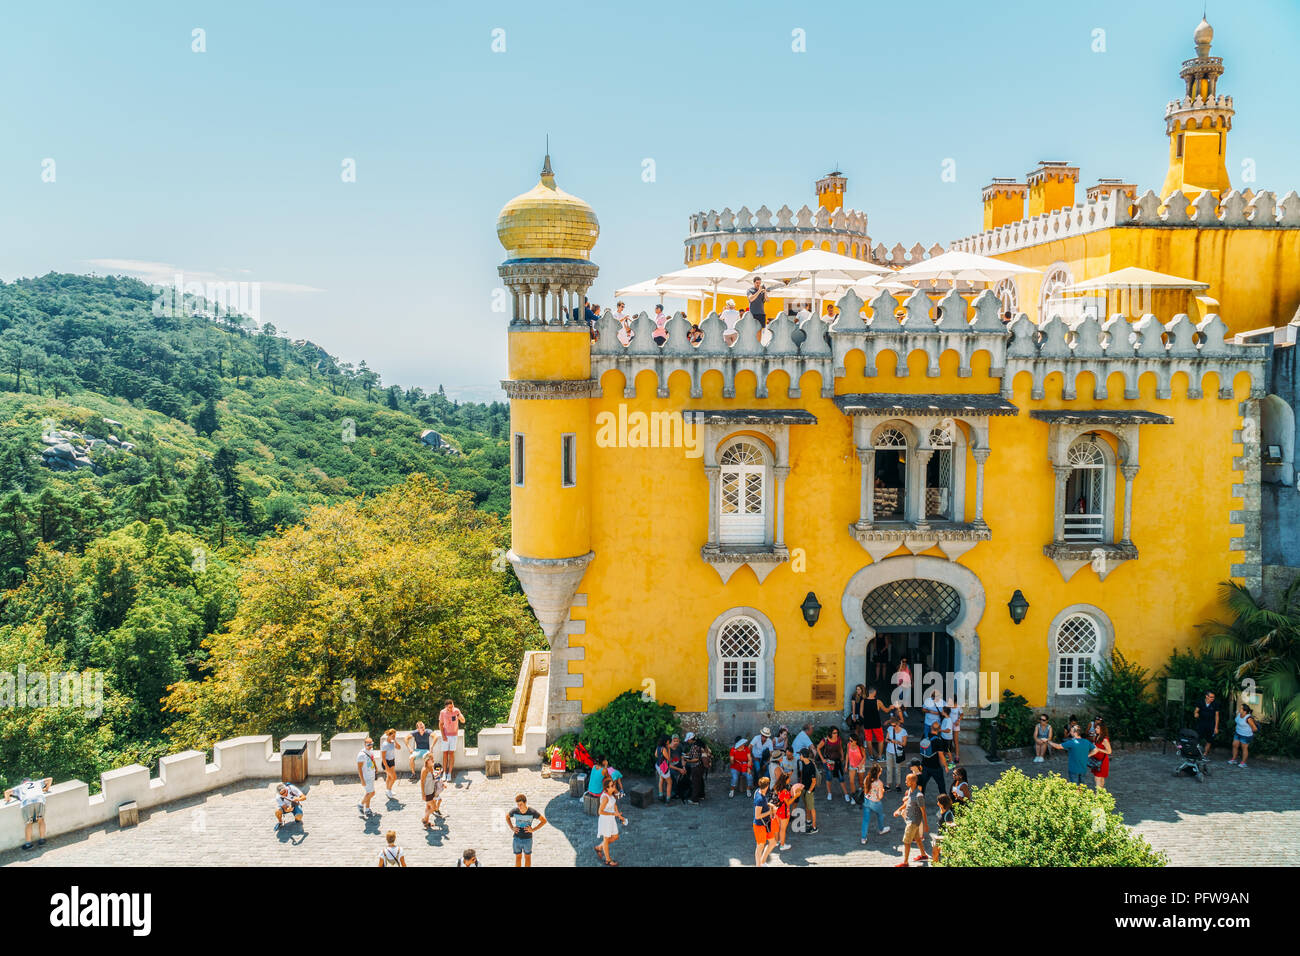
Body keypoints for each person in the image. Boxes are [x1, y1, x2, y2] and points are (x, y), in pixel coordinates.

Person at [5, 775, 52, 850]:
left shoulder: (20, 787)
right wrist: (46, 788)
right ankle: (42, 840)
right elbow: (50, 779)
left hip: (27, 802)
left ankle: (28, 844)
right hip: (39, 799)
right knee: (41, 820)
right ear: (30, 781)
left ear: (23, 783)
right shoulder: (37, 783)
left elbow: (7, 792)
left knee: (29, 823)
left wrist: (8, 799)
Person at [893, 772, 928, 867]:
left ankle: (905, 863)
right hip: (911, 820)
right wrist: (898, 810)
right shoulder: (910, 791)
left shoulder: (918, 795)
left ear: (912, 782)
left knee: (906, 841)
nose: (905, 782)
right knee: (917, 839)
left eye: (907, 780)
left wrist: (926, 825)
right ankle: (924, 855)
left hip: (913, 822)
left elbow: (923, 811)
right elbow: (907, 803)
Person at [507, 793, 546, 867]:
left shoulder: (532, 812)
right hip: (516, 838)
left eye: (521, 804)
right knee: (518, 857)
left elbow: (543, 821)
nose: (519, 806)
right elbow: (507, 817)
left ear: (525, 803)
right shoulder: (515, 811)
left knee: (527, 857)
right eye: (518, 804)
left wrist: (533, 829)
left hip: (528, 839)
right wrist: (512, 827)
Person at [595, 777, 627, 866]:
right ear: (607, 788)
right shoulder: (605, 797)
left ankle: (599, 847)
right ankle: (608, 860)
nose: (614, 786)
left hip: (611, 819)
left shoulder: (611, 794)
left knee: (615, 836)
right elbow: (600, 811)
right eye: (612, 785)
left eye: (614, 784)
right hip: (605, 820)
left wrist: (620, 817)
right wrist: (613, 815)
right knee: (606, 839)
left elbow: (614, 805)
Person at [818, 727, 851, 803]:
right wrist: (822, 759)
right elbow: (818, 748)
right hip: (828, 762)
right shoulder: (825, 740)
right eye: (834, 733)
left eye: (836, 733)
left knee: (841, 777)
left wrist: (842, 756)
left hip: (837, 761)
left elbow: (840, 748)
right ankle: (829, 793)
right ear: (830, 733)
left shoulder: (838, 739)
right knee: (829, 777)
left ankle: (846, 794)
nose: (836, 734)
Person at [859, 763, 890, 843]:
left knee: (865, 820)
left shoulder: (867, 778)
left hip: (866, 801)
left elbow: (866, 790)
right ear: (878, 773)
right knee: (880, 815)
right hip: (875, 803)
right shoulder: (879, 783)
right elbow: (880, 796)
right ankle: (881, 829)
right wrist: (883, 791)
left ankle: (863, 838)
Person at [918, 721, 949, 798]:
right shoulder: (938, 740)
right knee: (941, 786)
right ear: (939, 729)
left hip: (924, 765)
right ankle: (945, 803)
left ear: (931, 727)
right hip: (936, 767)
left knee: (922, 785)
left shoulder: (924, 736)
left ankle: (920, 802)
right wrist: (946, 766)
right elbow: (941, 756)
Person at [752, 776, 776, 866]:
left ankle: (762, 862)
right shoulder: (760, 799)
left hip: (766, 823)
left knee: (773, 843)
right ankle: (759, 865)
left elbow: (765, 803)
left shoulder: (758, 791)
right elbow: (757, 816)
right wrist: (770, 811)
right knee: (760, 846)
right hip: (760, 825)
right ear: (767, 786)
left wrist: (771, 805)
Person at [860, 687, 889, 760]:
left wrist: (866, 718)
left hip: (867, 723)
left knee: (869, 740)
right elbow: (886, 710)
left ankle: (871, 756)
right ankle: (879, 756)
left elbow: (861, 714)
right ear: (874, 693)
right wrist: (891, 707)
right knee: (880, 740)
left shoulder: (863, 701)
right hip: (876, 723)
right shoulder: (878, 701)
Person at [438, 700, 465, 778]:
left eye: (452, 706)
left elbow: (463, 721)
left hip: (454, 735)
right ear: (446, 707)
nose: (452, 708)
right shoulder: (442, 712)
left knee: (451, 753)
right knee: (445, 754)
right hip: (446, 735)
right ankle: (444, 773)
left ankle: (449, 773)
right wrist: (443, 736)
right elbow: (440, 724)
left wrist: (460, 717)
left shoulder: (456, 711)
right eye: (450, 707)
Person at [884, 710, 908, 791]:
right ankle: (888, 784)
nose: (893, 727)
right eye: (892, 725)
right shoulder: (890, 728)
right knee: (889, 769)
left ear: (898, 723)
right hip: (889, 751)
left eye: (894, 725)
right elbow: (886, 739)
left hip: (898, 752)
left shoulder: (903, 732)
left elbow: (904, 744)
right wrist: (889, 740)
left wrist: (897, 742)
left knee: (898, 769)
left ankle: (898, 785)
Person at [1229, 704, 1259, 768]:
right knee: (1234, 745)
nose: (1239, 709)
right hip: (1238, 733)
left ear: (1245, 711)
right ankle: (1234, 759)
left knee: (1244, 748)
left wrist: (1248, 732)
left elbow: (1255, 729)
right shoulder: (1239, 714)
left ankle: (1243, 763)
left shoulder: (1248, 718)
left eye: (1241, 708)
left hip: (1246, 735)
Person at [797, 748, 819, 833]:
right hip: (804, 788)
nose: (799, 756)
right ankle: (808, 821)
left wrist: (809, 791)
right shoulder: (803, 762)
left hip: (809, 790)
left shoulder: (811, 766)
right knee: (806, 806)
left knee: (811, 808)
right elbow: (802, 775)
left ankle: (814, 827)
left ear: (803, 756)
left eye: (800, 754)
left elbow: (814, 781)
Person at [357, 737, 380, 816]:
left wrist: (376, 767)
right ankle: (360, 804)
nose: (370, 746)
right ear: (365, 744)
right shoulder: (361, 755)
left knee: (368, 793)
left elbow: (373, 759)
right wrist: (362, 780)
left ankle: (367, 809)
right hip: (366, 777)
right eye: (368, 744)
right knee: (372, 793)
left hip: (371, 775)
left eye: (371, 744)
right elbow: (359, 768)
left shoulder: (370, 751)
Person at [1194, 690, 1220, 757]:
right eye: (1211, 697)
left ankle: (1205, 754)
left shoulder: (1215, 704)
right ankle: (1196, 752)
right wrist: (1196, 714)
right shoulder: (1200, 702)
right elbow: (1196, 711)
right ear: (1206, 696)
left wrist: (1216, 727)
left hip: (1211, 724)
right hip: (1201, 724)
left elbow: (1217, 716)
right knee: (1197, 738)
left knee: (1209, 740)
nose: (1212, 699)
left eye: (1213, 697)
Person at [420, 757, 445, 826]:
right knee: (433, 808)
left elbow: (433, 778)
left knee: (428, 807)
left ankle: (427, 823)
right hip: (427, 792)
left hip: (432, 791)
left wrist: (438, 774)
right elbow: (422, 782)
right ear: (427, 760)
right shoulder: (424, 770)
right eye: (432, 759)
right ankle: (424, 819)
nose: (433, 760)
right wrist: (423, 794)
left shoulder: (431, 767)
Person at [931, 794, 955, 864]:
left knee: (945, 855)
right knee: (935, 852)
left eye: (938, 802)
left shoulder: (948, 815)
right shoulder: (941, 809)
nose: (937, 803)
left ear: (942, 803)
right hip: (938, 834)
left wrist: (946, 838)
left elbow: (950, 829)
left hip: (944, 836)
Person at [683, 732, 705, 803]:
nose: (687, 741)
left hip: (696, 766)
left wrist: (687, 760)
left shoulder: (695, 746)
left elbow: (696, 759)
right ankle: (701, 795)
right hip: (701, 766)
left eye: (688, 740)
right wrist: (687, 754)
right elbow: (694, 753)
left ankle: (694, 799)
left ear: (690, 739)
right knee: (700, 781)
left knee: (695, 783)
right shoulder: (699, 743)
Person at [1090, 719, 1113, 789]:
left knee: (1098, 778)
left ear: (1102, 729)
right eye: (1096, 728)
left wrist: (1098, 749)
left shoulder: (1104, 739)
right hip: (1096, 760)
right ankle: (1101, 794)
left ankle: (1098, 795)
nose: (1095, 729)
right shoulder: (1097, 737)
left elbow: (1109, 751)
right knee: (1100, 779)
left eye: (1097, 728)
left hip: (1102, 761)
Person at [775, 780, 796, 851]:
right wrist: (796, 796)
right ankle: (782, 845)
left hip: (778, 810)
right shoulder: (784, 791)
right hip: (784, 811)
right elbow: (788, 802)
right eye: (788, 779)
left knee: (778, 827)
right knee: (783, 829)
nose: (790, 780)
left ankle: (777, 841)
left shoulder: (777, 788)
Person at [380, 728, 400, 799]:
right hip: (386, 762)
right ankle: (388, 790)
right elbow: (383, 757)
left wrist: (395, 741)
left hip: (392, 761)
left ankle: (388, 790)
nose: (394, 737)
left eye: (395, 735)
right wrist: (386, 767)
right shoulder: (385, 744)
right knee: (394, 777)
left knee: (389, 777)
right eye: (393, 736)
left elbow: (399, 747)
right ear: (389, 735)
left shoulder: (392, 742)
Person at [655, 735, 674, 803]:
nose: (669, 741)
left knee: (661, 780)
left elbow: (656, 755)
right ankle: (668, 799)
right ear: (666, 741)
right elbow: (668, 759)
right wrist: (669, 749)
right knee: (669, 782)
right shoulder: (664, 749)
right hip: (664, 767)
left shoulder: (658, 747)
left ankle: (661, 796)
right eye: (668, 741)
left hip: (658, 766)